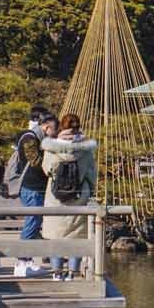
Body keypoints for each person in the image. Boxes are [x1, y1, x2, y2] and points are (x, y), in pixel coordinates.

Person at [41, 113, 98, 280]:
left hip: (55, 197)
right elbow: (91, 174)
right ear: (78, 127)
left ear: (61, 127)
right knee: (77, 236)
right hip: (79, 195)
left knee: (55, 236)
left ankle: (57, 273)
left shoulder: (51, 147)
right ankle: (73, 272)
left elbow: (47, 170)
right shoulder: (86, 148)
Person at [3, 128, 49, 255]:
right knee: (32, 221)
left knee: (35, 222)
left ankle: (43, 254)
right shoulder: (30, 139)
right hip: (32, 187)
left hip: (33, 187)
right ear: (47, 127)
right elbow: (36, 162)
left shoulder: (32, 138)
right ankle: (23, 259)